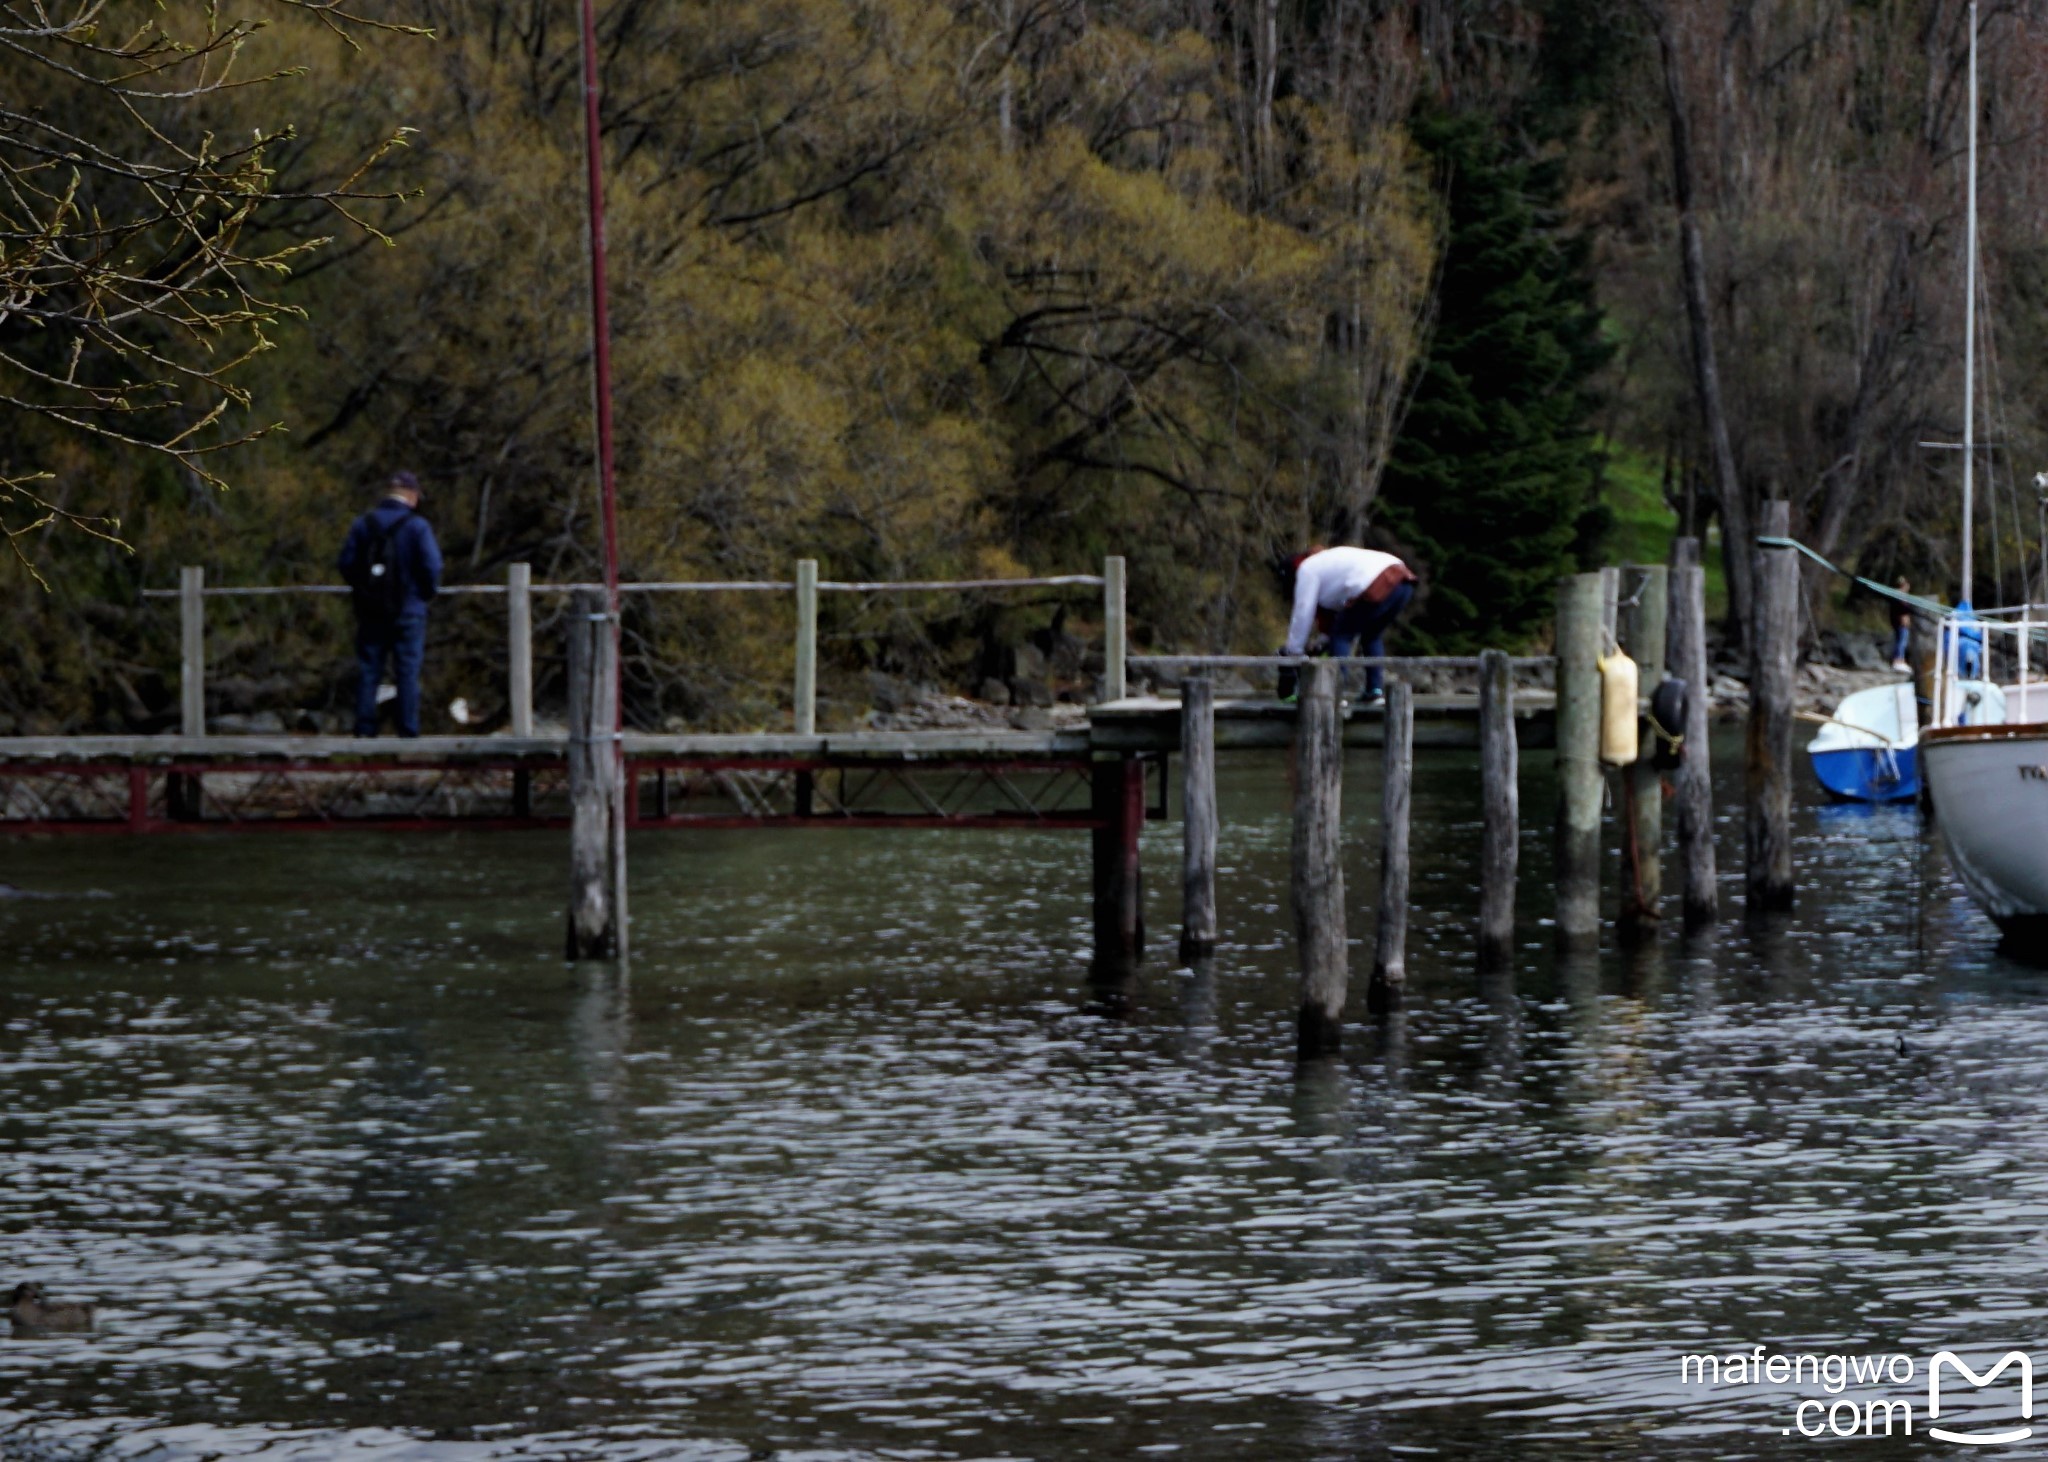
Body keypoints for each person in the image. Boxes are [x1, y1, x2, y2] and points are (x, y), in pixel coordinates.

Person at [338, 470, 443, 737]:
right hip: (409, 610)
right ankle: (407, 731)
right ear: (411, 495)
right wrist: (424, 594)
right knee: (407, 672)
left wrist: (362, 591)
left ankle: (364, 730)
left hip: (370, 610)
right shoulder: (417, 527)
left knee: (369, 670)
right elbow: (432, 566)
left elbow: (346, 563)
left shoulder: (363, 524)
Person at [1281, 544, 1417, 704]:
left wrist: (1294, 650)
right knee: (1371, 636)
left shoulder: (1307, 568)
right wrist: (1321, 641)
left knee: (1340, 636)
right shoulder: (1332, 563)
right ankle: (1375, 691)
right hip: (1404, 580)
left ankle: (1336, 694)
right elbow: (1340, 615)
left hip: (1376, 581)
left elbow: (1304, 611)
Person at [1889, 579, 1913, 673]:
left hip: (1898, 621)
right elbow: (1902, 609)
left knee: (1901, 641)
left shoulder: (1899, 595)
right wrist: (1904, 618)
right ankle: (1898, 661)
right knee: (1902, 641)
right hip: (1900, 622)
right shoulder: (1899, 595)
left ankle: (1899, 660)